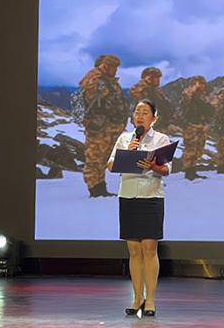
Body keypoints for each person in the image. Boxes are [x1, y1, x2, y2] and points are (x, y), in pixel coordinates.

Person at [107, 100, 170, 318]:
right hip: (128, 196)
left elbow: (166, 170)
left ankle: (150, 300)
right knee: (133, 250)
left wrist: (152, 166)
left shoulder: (161, 139)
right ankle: (137, 298)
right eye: (137, 112)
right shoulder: (125, 138)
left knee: (150, 248)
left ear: (154, 117)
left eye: (145, 112)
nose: (140, 116)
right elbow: (111, 164)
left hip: (150, 196)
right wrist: (128, 152)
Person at [79, 55, 130, 197]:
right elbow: (87, 85)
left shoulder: (111, 83)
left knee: (103, 159)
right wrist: (97, 71)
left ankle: (101, 187)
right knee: (94, 158)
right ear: (103, 66)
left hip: (111, 128)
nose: (114, 70)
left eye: (115, 67)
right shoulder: (94, 79)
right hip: (99, 129)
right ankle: (95, 190)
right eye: (110, 66)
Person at [178, 76, 213, 181]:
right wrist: (192, 90)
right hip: (191, 125)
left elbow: (207, 110)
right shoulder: (188, 94)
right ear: (193, 84)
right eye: (199, 83)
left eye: (203, 83)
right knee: (190, 149)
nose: (202, 85)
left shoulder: (202, 97)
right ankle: (188, 172)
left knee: (198, 149)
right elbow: (185, 102)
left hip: (200, 126)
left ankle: (193, 171)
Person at [129, 67, 174, 133]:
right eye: (156, 78)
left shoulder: (155, 91)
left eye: (159, 78)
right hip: (150, 129)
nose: (159, 80)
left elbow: (165, 108)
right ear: (149, 78)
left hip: (159, 127)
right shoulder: (143, 92)